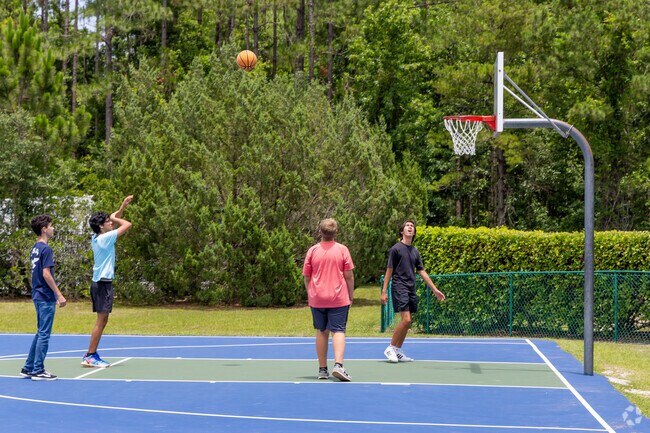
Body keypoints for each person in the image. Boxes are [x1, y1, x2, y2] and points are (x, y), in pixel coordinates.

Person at [381, 219, 445, 362]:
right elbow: (389, 270)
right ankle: (391, 347)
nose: (410, 227)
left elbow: (421, 271)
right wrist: (384, 291)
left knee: (408, 322)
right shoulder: (395, 249)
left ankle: (397, 350)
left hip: (411, 288)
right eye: (407, 226)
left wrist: (434, 289)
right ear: (402, 231)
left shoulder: (415, 251)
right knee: (406, 319)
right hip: (399, 287)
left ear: (414, 232)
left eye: (412, 226)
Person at [81, 195, 133, 368]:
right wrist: (115, 217)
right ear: (101, 226)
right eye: (108, 222)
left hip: (100, 283)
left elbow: (114, 217)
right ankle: (90, 355)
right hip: (102, 284)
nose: (111, 223)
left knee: (103, 320)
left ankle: (91, 354)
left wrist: (122, 206)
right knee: (101, 321)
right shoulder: (105, 238)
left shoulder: (98, 236)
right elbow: (127, 224)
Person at [303, 218, 355, 382]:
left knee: (321, 331)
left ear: (320, 232)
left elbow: (306, 276)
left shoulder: (312, 251)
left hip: (317, 298)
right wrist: (350, 295)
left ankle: (322, 369)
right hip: (338, 297)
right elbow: (349, 276)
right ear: (336, 233)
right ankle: (338, 365)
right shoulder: (342, 250)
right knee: (338, 330)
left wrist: (310, 293)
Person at [21, 214, 67, 381]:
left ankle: (28, 367)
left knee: (40, 332)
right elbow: (46, 274)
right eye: (51, 225)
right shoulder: (46, 249)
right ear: (44, 229)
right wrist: (58, 294)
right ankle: (38, 369)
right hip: (44, 295)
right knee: (44, 334)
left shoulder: (35, 248)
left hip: (37, 294)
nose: (53, 228)